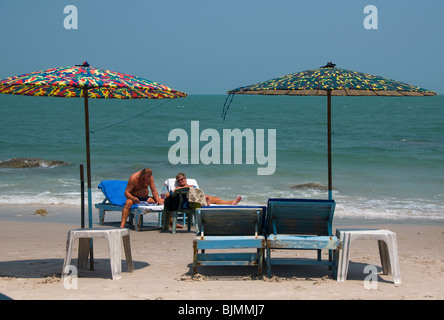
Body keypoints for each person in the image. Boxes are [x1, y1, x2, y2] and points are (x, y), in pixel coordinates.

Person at [169, 172, 241, 206]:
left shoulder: (192, 185)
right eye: (178, 180)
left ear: (185, 179)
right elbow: (171, 195)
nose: (180, 181)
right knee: (207, 199)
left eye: (181, 179)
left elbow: (198, 192)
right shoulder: (178, 188)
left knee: (215, 198)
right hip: (189, 201)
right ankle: (206, 204)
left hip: (198, 197)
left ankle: (230, 202)